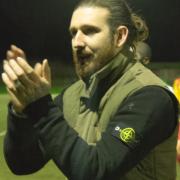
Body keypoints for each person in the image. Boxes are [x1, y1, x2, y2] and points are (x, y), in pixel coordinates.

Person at [1, 0, 179, 179]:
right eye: (73, 33)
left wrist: (42, 108)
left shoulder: (150, 95)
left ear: (119, 36)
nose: (76, 42)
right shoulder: (72, 95)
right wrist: (21, 113)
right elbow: (23, 163)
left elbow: (95, 171)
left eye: (89, 31)